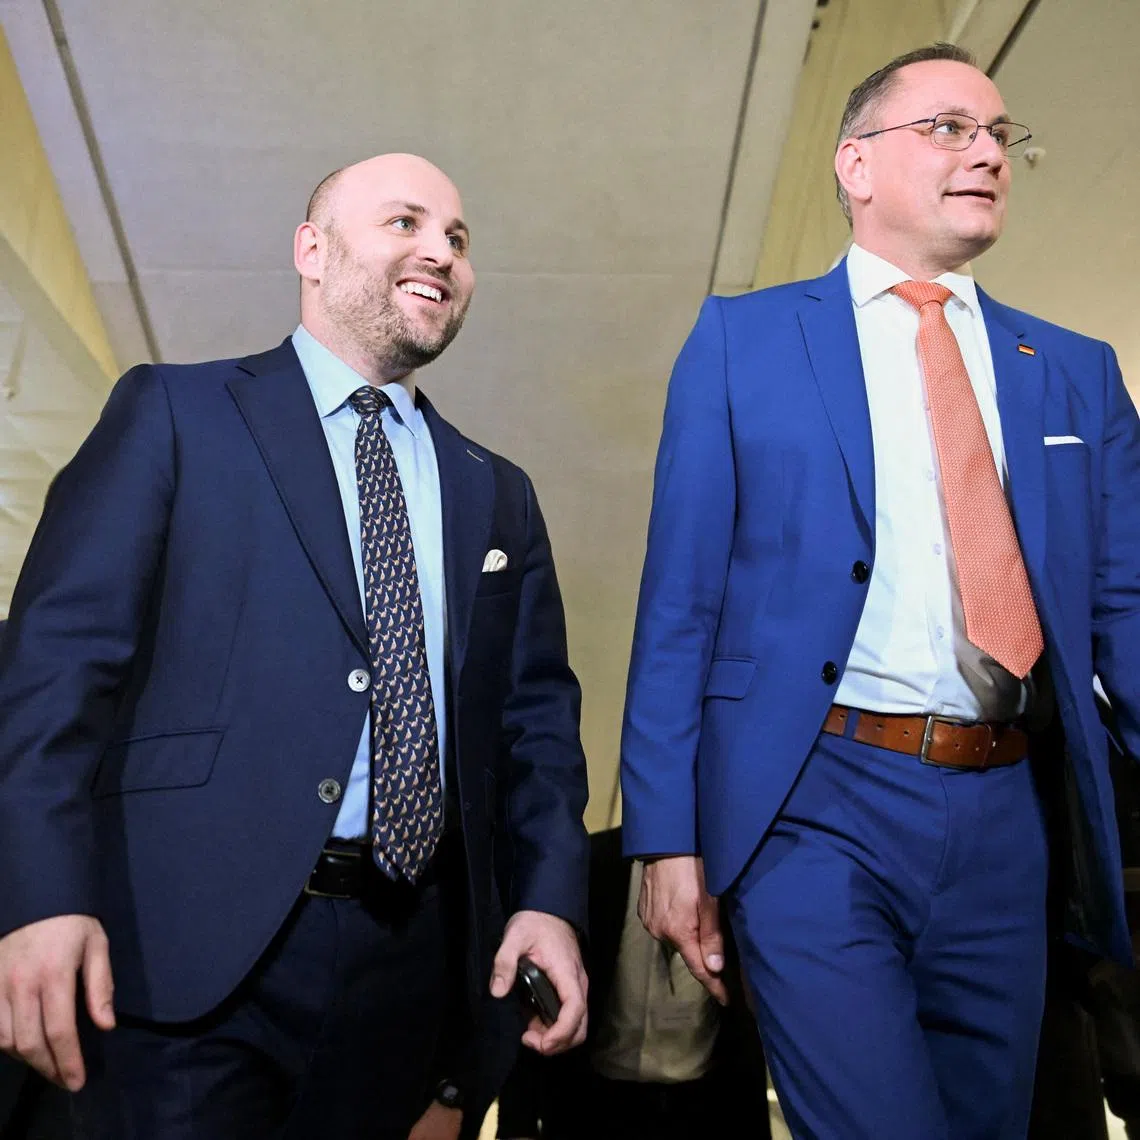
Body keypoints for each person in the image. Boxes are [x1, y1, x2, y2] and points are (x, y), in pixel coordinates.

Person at [0, 153, 590, 1140]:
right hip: (176, 956)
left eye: (458, 239)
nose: (439, 252)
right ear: (311, 250)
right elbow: (54, 675)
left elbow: (536, 728)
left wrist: (551, 903)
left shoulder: (497, 491)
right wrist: (37, 896)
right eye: (406, 222)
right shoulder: (175, 414)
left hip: (404, 977)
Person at [621, 42, 1140, 1140]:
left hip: (1009, 813)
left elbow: (1124, 604)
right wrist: (665, 843)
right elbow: (680, 606)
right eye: (952, 128)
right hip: (817, 803)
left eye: (1004, 137)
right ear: (857, 164)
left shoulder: (1078, 370)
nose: (989, 153)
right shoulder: (741, 342)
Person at [494, 828, 771, 1140]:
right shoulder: (587, 863)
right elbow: (532, 1003)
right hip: (589, 1105)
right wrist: (516, 1125)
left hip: (703, 1108)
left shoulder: (746, 880)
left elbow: (748, 1024)